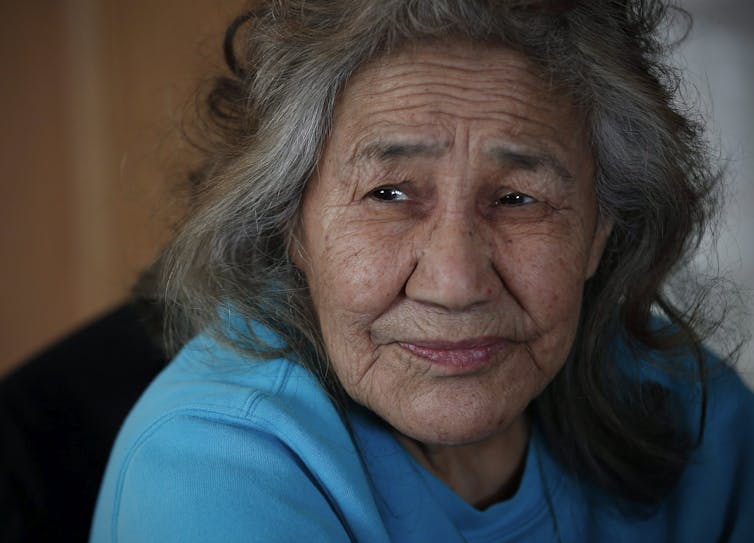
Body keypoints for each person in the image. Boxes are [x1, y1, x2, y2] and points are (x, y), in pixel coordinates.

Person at [90, 1, 754, 541]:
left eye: (518, 198)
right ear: (290, 223)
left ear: (597, 230)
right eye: (390, 193)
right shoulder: (211, 467)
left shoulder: (696, 419)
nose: (455, 281)